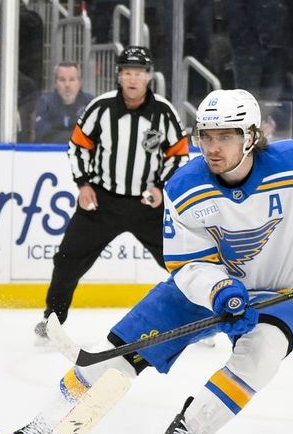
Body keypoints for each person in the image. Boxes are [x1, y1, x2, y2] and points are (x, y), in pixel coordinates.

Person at [26, 89, 293, 434]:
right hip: (205, 287)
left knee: (261, 357)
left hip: (278, 291)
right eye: (206, 136)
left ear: (251, 136)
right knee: (126, 353)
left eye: (225, 137)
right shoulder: (185, 186)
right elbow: (188, 265)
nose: (212, 147)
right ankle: (43, 424)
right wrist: (220, 290)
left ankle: (186, 432)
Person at [34, 46, 188, 340]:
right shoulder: (101, 107)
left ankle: (200, 314)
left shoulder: (164, 112)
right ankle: (53, 319)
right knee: (68, 258)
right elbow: (79, 146)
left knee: (180, 261)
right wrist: (84, 184)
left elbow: (179, 155)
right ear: (119, 76)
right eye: (127, 72)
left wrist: (160, 186)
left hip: (148, 205)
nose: (133, 78)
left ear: (148, 77)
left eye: (139, 73)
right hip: (102, 202)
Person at [33, 61, 93, 144]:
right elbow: (43, 134)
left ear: (80, 83)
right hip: (49, 155)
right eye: (62, 80)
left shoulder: (90, 103)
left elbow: (93, 135)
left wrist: (57, 132)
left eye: (72, 80)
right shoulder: (45, 102)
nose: (67, 85)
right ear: (55, 83)